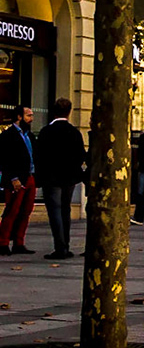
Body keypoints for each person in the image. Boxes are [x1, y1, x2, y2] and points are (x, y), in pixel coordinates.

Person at [36, 98, 85, 260]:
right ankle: (66, 245)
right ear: (69, 112)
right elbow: (80, 155)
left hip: (51, 177)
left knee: (55, 210)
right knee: (65, 209)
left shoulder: (46, 132)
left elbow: (39, 156)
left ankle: (60, 246)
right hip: (69, 177)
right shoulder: (74, 132)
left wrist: (40, 176)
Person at [0, 106, 36, 256]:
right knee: (12, 210)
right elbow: (4, 158)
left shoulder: (29, 136)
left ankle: (19, 242)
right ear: (19, 117)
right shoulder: (8, 135)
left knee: (26, 211)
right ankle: (3, 242)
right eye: (28, 115)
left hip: (29, 176)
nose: (31, 118)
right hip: (16, 179)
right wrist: (13, 178)